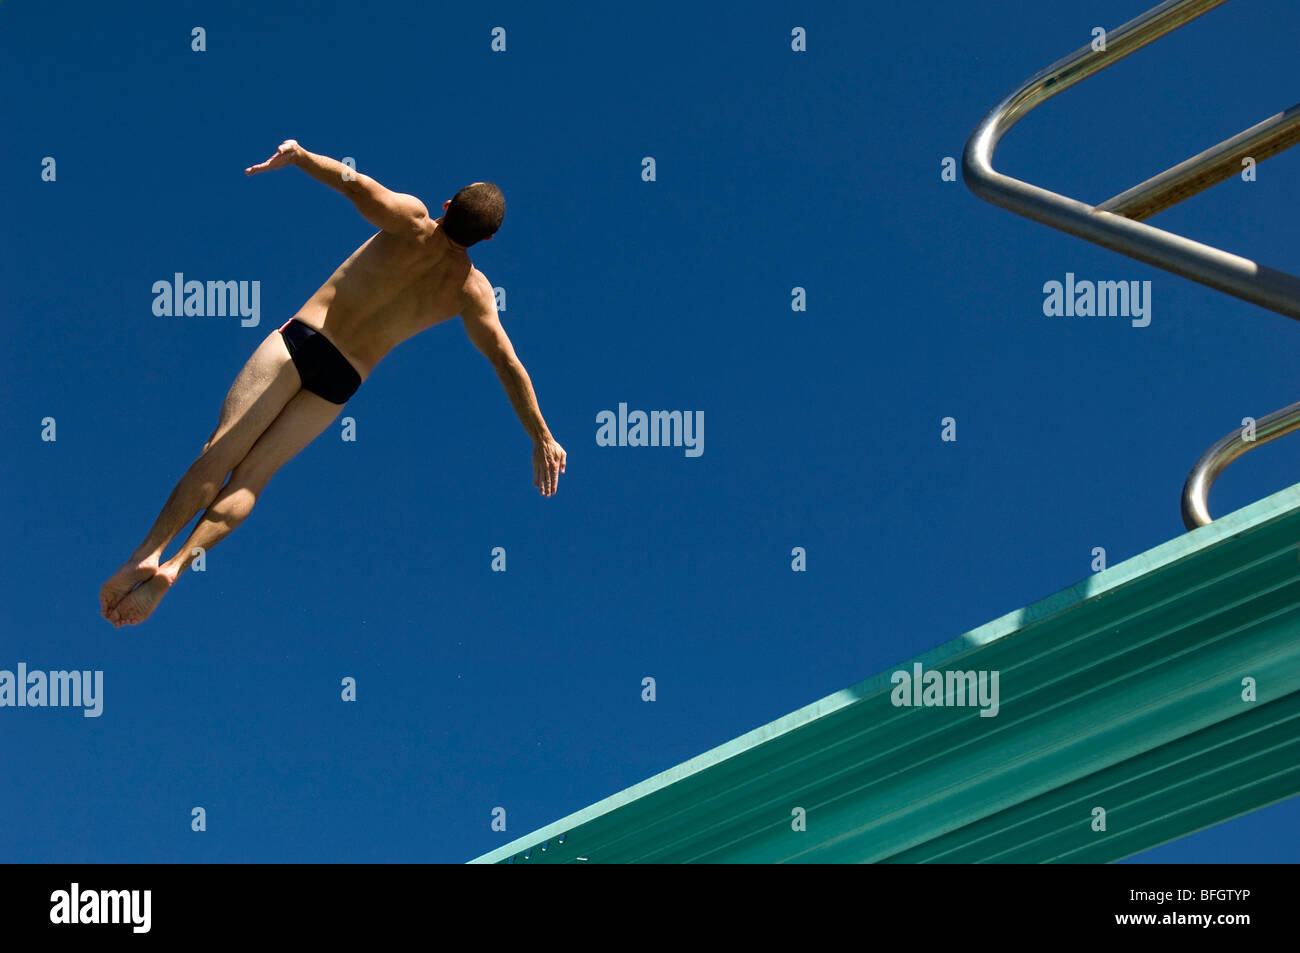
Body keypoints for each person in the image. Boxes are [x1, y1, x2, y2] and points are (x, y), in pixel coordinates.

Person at [100, 140, 566, 627]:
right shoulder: (473, 292)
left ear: (448, 203)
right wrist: (541, 435)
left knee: (220, 452)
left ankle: (148, 553)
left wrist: (299, 157)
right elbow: (506, 363)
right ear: (485, 241)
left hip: (304, 340)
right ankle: (175, 568)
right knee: (253, 479)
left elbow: (355, 184)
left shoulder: (412, 219)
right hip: (342, 379)